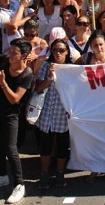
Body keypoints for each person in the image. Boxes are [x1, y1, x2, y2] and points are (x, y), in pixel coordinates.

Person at [0, 39, 32, 204]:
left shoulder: (27, 74)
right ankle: (2, 176)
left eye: (14, 53)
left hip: (11, 115)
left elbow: (15, 99)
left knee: (11, 149)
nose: (9, 55)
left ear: (24, 56)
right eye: (9, 51)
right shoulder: (3, 61)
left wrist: (2, 82)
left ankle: (19, 185)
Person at [35, 39, 73, 189]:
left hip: (63, 114)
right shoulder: (45, 66)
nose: (58, 53)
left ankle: (59, 173)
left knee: (63, 146)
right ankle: (44, 174)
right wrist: (49, 77)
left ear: (67, 52)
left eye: (61, 50)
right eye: (55, 50)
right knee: (46, 145)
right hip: (47, 112)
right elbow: (38, 88)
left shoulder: (72, 69)